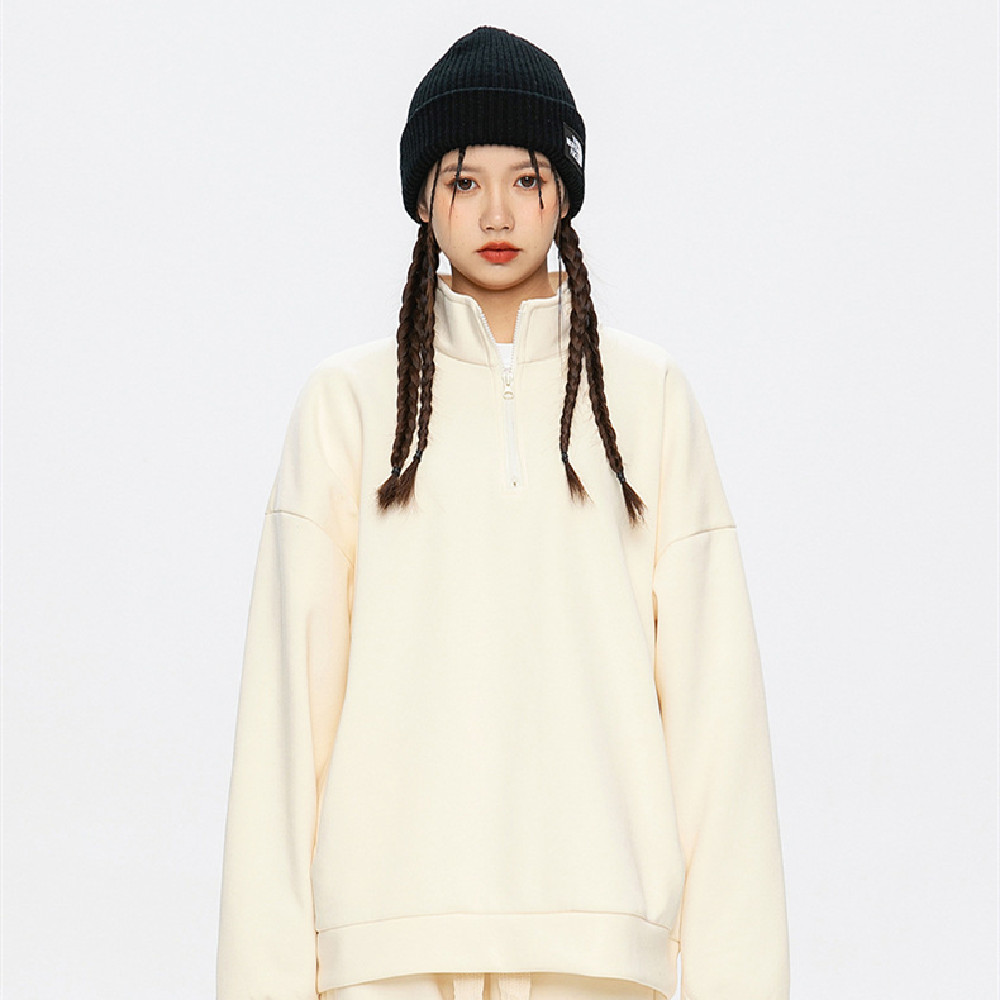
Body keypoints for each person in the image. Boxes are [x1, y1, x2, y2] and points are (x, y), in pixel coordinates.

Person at [216, 24, 790, 1000]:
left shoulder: (645, 400)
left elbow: (716, 719)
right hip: (386, 951)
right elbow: (284, 721)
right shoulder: (349, 406)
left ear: (564, 191)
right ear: (422, 198)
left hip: (600, 953)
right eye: (462, 180)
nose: (496, 211)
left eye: (526, 178)